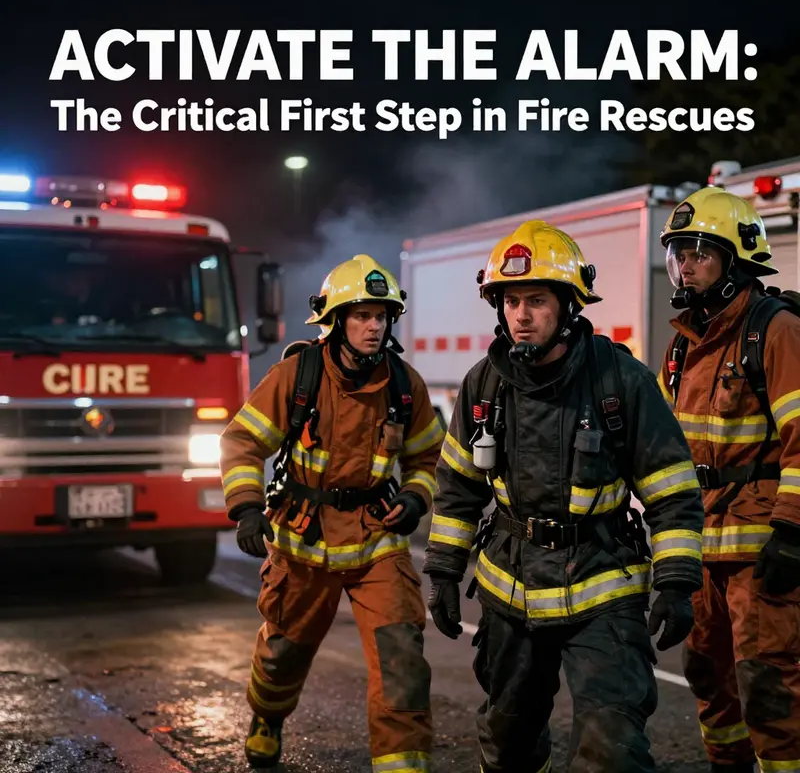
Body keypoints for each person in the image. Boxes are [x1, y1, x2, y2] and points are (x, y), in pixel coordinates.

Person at [422, 219, 705, 772]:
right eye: (511, 301)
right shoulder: (484, 385)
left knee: (612, 748)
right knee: (508, 744)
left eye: (536, 300)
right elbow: (457, 488)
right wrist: (443, 572)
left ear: (569, 305)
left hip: (603, 586)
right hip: (510, 589)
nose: (521, 315)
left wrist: (676, 582)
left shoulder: (620, 381)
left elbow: (672, 491)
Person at [219, 254, 444, 770]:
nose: (374, 326)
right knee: (283, 652)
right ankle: (267, 717)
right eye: (362, 315)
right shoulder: (296, 376)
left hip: (376, 539)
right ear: (336, 320)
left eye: (381, 316)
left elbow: (428, 457)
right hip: (304, 539)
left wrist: (415, 498)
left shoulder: (405, 384)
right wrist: (247, 507)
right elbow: (242, 442)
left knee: (401, 658)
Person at [656, 186, 800, 773]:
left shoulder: (776, 330)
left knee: (767, 680)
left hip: (759, 548)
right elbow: (663, 452)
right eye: (678, 254)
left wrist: (792, 532)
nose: (685, 267)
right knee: (705, 671)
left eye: (699, 253)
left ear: (735, 261)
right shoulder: (682, 345)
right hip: (699, 546)